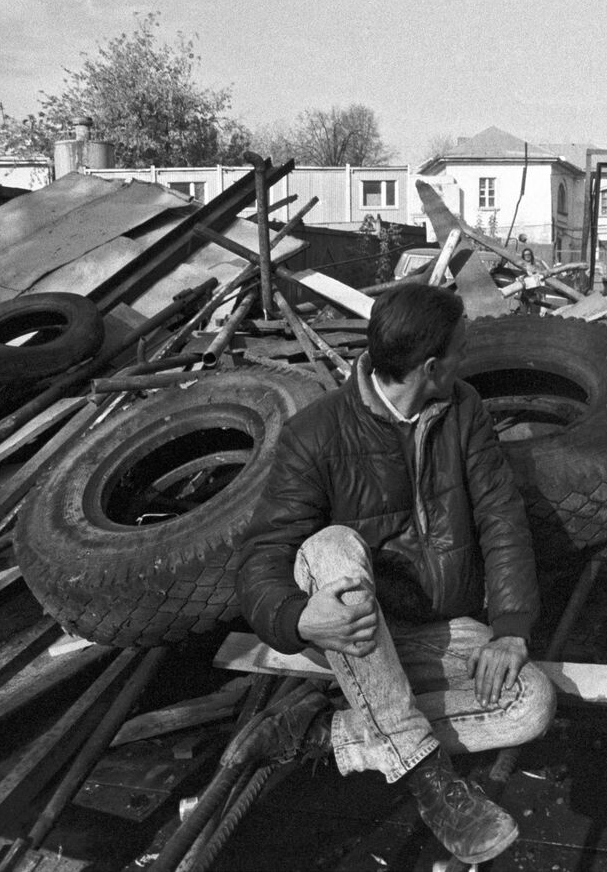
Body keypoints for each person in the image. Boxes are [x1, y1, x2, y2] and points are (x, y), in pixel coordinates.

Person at [235, 283, 555, 866]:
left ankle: (320, 736)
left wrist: (510, 627)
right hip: (354, 635)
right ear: (431, 368)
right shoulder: (316, 432)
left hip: (438, 628)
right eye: (461, 350)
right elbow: (263, 555)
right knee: (332, 546)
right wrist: (298, 618)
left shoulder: (464, 411)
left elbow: (501, 518)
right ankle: (432, 780)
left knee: (531, 701)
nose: (467, 359)